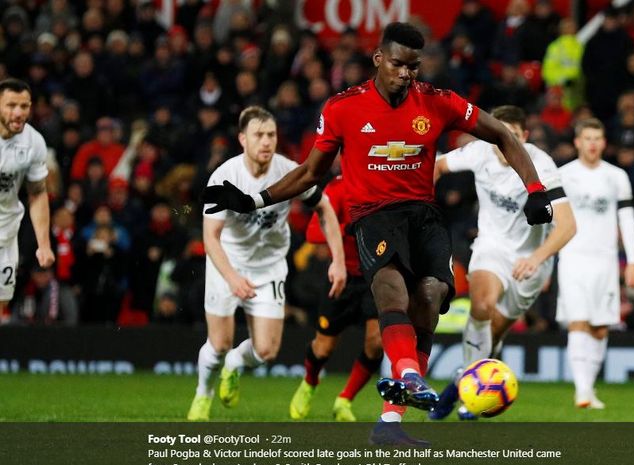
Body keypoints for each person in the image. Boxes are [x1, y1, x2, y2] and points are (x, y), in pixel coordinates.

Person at [202, 23, 553, 443]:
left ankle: (390, 421)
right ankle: (408, 376)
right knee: (391, 291)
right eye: (399, 64)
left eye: (414, 67)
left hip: (424, 215)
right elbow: (311, 172)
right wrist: (255, 199)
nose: (407, 74)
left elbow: (498, 131)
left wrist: (535, 189)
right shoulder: (342, 108)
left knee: (431, 294)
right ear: (379, 60)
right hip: (372, 215)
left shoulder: (437, 102)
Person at [187, 106, 346, 421]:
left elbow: (325, 209)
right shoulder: (223, 177)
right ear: (243, 139)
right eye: (259, 135)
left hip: (269, 266)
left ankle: (235, 363)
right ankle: (202, 396)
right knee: (218, 344)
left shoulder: (290, 171)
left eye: (271, 134)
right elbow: (211, 238)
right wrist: (232, 278)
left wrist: (338, 261)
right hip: (227, 263)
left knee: (266, 352)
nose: (266, 141)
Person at [429, 105, 576, 420]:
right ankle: (472, 400)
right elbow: (439, 165)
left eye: (511, 136)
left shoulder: (542, 166)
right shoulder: (479, 150)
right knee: (481, 306)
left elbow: (567, 226)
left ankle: (459, 383)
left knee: (492, 337)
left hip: (531, 261)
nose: (503, 143)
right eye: (497, 135)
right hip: (492, 247)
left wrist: (538, 258)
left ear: (524, 136)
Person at [557, 118, 634, 409]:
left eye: (597, 138)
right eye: (587, 138)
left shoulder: (616, 176)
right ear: (578, 142)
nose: (592, 143)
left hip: (605, 260)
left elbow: (627, 220)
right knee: (578, 321)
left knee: (601, 327)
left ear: (603, 143)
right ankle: (581, 391)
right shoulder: (564, 175)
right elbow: (550, 220)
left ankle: (589, 390)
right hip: (573, 257)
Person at [289, 175, 383, 422]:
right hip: (342, 277)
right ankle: (309, 382)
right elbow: (312, 233)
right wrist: (345, 227)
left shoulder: (386, 183)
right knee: (323, 348)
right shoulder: (338, 188)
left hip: (376, 278)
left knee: (376, 343)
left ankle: (345, 399)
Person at [0, 78, 55, 324]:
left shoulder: (33, 142)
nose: (19, 112)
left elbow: (37, 193)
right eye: (11, 105)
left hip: (6, 231)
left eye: (24, 106)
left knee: (2, 301)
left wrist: (44, 245)